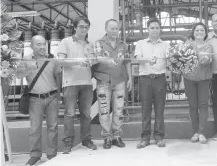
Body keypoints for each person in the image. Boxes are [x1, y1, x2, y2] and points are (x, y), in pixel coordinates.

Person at [16, 35, 61, 165]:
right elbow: (18, 75)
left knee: (53, 126)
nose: (42, 47)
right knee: (35, 128)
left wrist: (58, 95)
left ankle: (52, 154)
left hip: (52, 97)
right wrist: (28, 68)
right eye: (38, 44)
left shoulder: (52, 59)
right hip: (35, 99)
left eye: (43, 44)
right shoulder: (25, 59)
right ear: (31, 46)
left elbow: (57, 76)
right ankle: (35, 155)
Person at [57, 16, 97, 153]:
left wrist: (98, 59)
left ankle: (86, 140)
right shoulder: (65, 42)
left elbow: (93, 61)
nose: (84, 29)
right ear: (75, 27)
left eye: (87, 27)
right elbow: (60, 62)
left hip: (86, 83)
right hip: (70, 83)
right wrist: (78, 61)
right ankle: (68, 142)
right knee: (69, 114)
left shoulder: (90, 44)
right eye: (81, 26)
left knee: (86, 114)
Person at [92, 19, 132, 149]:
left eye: (117, 28)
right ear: (106, 29)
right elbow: (98, 57)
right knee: (104, 111)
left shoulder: (123, 44)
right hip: (104, 81)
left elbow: (127, 62)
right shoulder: (99, 43)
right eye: (112, 28)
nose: (115, 31)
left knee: (119, 110)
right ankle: (107, 137)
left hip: (120, 80)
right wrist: (109, 61)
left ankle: (117, 136)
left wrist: (130, 78)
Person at [134, 18, 168, 149]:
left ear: (160, 30)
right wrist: (148, 60)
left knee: (160, 110)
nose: (154, 30)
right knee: (145, 109)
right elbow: (137, 59)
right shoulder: (140, 43)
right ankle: (145, 137)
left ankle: (159, 137)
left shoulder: (166, 45)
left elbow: (169, 58)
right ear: (148, 29)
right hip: (145, 79)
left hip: (160, 79)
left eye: (157, 28)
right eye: (152, 27)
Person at [181, 22, 212, 144]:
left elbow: (207, 60)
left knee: (203, 105)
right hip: (189, 78)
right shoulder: (187, 44)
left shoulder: (208, 46)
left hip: (204, 78)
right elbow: (182, 59)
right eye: (197, 30)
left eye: (202, 30)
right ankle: (195, 132)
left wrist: (205, 59)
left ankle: (202, 132)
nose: (199, 32)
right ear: (193, 32)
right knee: (193, 106)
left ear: (205, 33)